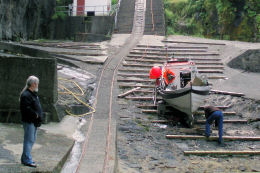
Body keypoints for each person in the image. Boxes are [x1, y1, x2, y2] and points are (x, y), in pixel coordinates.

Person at [20, 76, 43, 167]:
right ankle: (27, 160)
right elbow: (26, 109)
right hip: (29, 121)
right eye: (36, 83)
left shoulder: (32, 93)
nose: (37, 85)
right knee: (29, 140)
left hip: (33, 121)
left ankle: (25, 158)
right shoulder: (26, 95)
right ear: (33, 84)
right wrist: (36, 115)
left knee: (31, 140)